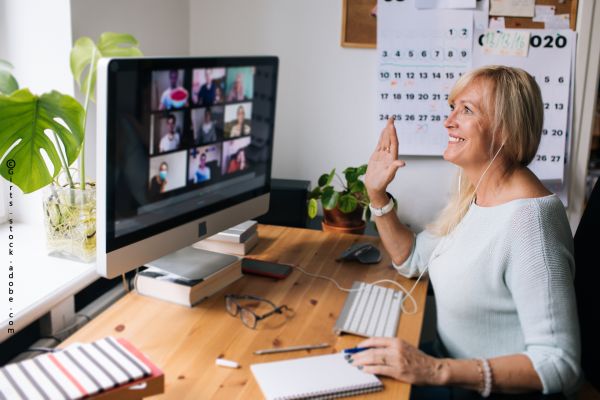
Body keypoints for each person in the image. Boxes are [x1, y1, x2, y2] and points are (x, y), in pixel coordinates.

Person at [351, 66, 581, 398]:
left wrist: (434, 370)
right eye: (452, 108)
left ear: (506, 129)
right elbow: (412, 259)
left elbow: (559, 362)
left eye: (467, 110)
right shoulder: (475, 195)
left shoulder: (531, 223)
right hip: (450, 369)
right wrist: (376, 195)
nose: (448, 121)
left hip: (477, 388)